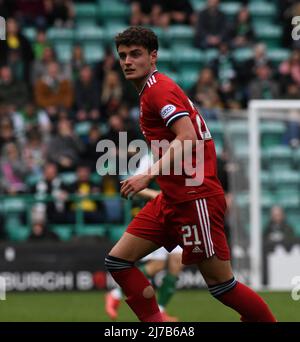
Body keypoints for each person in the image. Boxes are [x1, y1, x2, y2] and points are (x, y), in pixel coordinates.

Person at [105, 26, 276, 322]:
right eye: (123, 56)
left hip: (196, 198)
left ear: (153, 56)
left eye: (136, 54)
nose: (127, 61)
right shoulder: (149, 93)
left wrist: (148, 174)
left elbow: (187, 136)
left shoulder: (159, 90)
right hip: (172, 199)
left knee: (222, 286)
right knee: (118, 261)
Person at [105, 187, 183, 322]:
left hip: (178, 218)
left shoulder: (184, 166)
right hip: (159, 217)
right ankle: (115, 293)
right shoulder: (152, 165)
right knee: (156, 265)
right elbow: (134, 187)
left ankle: (161, 311)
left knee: (177, 263)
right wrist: (163, 197)